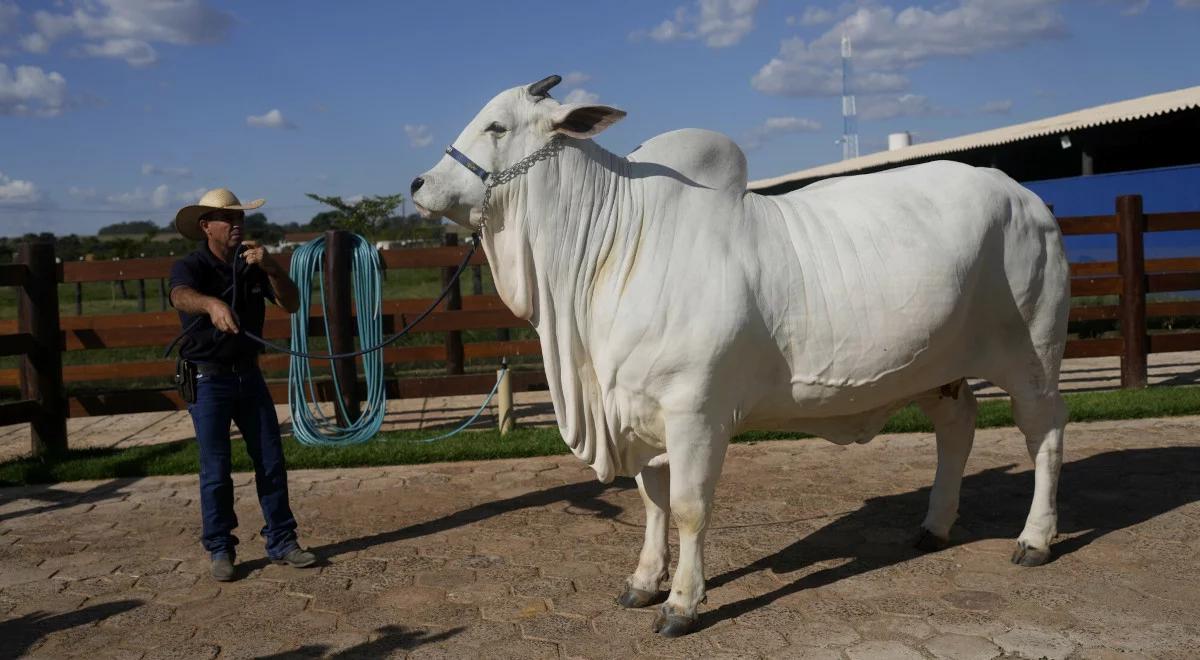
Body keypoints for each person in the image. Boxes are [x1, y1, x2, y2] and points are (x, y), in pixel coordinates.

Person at [169, 188, 317, 581]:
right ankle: (220, 548)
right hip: (208, 378)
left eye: (240, 219)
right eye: (228, 219)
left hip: (248, 375)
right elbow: (180, 296)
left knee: (271, 460)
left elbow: (293, 303)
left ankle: (282, 541)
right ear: (207, 227)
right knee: (215, 469)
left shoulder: (253, 264)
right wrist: (212, 305)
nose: (237, 225)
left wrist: (273, 269)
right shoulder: (191, 265)